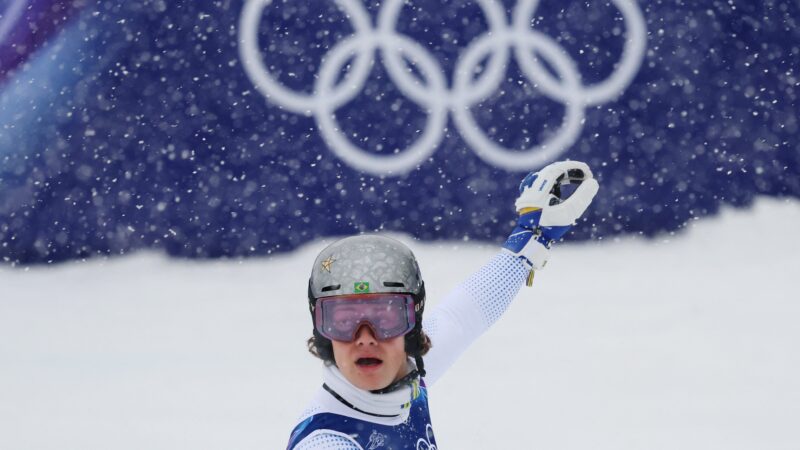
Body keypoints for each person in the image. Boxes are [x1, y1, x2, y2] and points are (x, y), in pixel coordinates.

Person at [286, 161, 600, 449]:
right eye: (344, 320)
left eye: (385, 318)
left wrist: (531, 239)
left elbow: (463, 315)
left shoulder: (405, 380)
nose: (366, 336)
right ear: (323, 332)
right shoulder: (326, 442)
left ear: (411, 327)